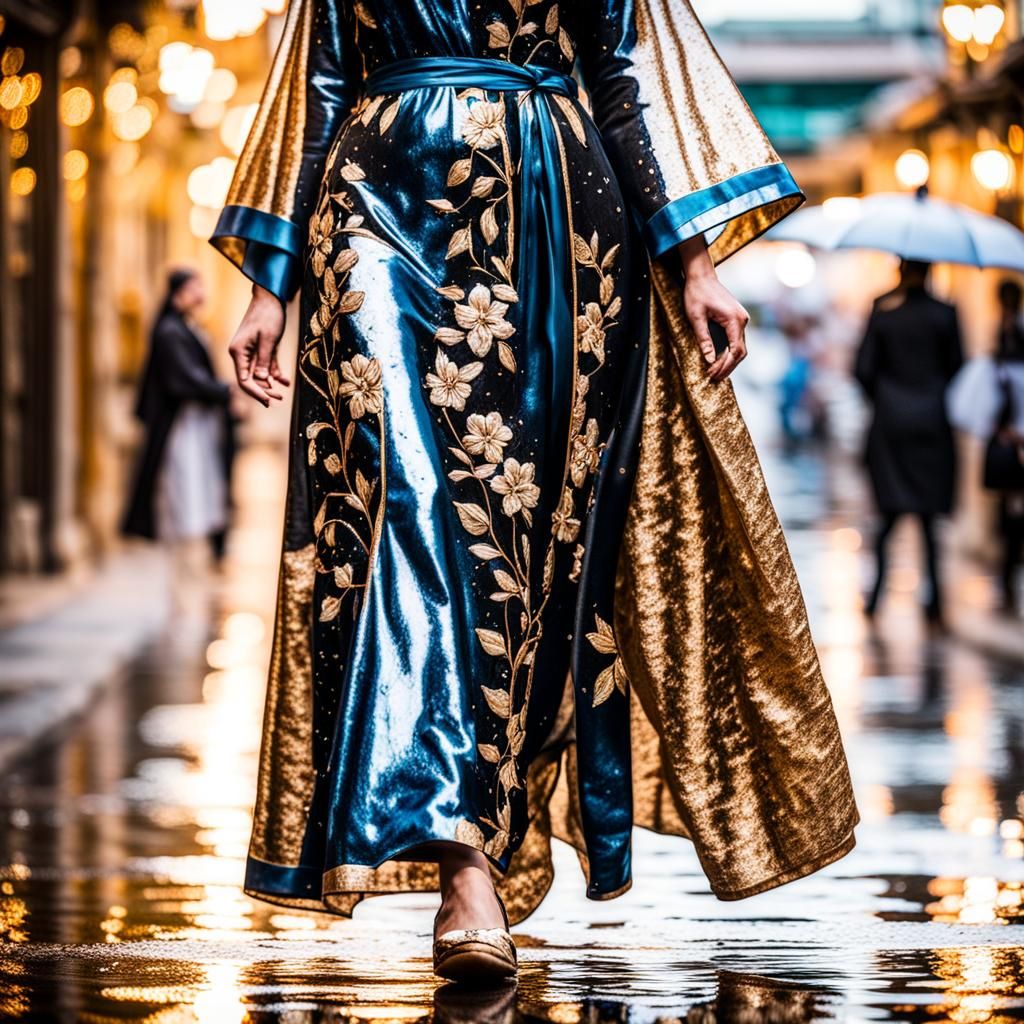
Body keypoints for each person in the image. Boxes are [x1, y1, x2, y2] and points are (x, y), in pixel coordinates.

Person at [210, 0, 859, 983]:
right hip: (373, 208)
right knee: (407, 505)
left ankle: (484, 824)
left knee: (525, 542)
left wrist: (693, 261)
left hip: (553, 225)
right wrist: (270, 285)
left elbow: (621, 75)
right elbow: (322, 83)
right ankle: (465, 870)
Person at [855, 260, 964, 627]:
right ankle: (934, 605)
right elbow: (956, 365)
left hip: (890, 426)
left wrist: (886, 399)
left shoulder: (883, 310)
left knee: (888, 517)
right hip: (932, 423)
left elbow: (863, 369)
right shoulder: (945, 314)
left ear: (901, 270)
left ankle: (875, 599)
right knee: (929, 521)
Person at [123, 268, 231, 559]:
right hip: (179, 427)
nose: (201, 295)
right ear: (178, 294)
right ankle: (184, 552)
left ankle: (195, 548)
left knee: (198, 487)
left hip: (194, 424)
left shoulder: (185, 328)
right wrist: (224, 392)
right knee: (184, 489)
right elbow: (184, 378)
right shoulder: (170, 331)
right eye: (194, 288)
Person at [947, 279, 1024, 615]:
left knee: (1010, 516)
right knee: (1010, 515)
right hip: (1011, 440)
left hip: (1009, 441)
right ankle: (1007, 580)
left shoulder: (1002, 349)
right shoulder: (1002, 343)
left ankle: (1008, 580)